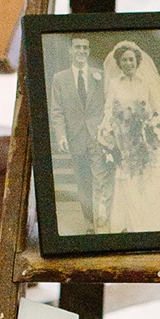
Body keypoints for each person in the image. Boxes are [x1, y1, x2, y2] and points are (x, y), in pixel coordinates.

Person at [94, 39, 160, 231]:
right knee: (128, 177)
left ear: (137, 61)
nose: (128, 64)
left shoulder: (147, 82)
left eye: (131, 60)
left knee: (149, 176)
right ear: (119, 63)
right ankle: (130, 220)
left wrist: (150, 127)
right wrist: (106, 128)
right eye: (124, 60)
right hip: (124, 138)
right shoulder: (115, 84)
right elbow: (110, 109)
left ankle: (151, 220)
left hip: (146, 137)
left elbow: (159, 109)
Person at [47, 33, 104, 229]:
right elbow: (57, 111)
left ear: (88, 51)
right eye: (77, 47)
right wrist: (61, 136)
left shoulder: (99, 75)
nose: (81, 51)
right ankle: (90, 222)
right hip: (76, 138)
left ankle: (104, 220)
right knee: (84, 181)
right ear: (70, 50)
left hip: (99, 137)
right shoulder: (60, 79)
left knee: (102, 179)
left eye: (85, 48)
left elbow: (108, 106)